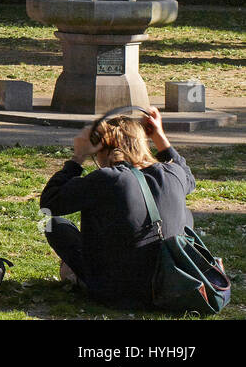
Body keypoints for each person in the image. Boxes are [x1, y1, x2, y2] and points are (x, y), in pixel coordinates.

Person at [40, 107, 198, 309]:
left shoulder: (107, 179)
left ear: (102, 149)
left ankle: (78, 277)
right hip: (171, 285)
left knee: (56, 225)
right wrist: (159, 135)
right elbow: (189, 177)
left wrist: (77, 158)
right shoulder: (173, 173)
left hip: (117, 292)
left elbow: (50, 202)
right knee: (185, 214)